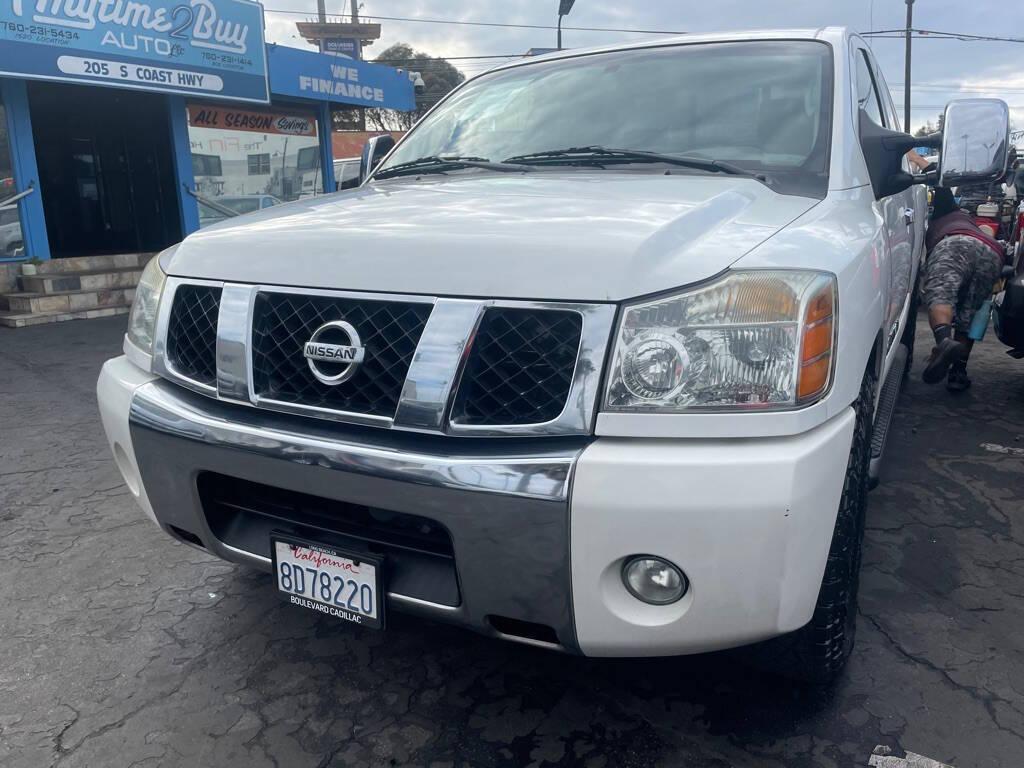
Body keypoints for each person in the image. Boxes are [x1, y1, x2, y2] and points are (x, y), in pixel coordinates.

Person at [920, 187, 1005, 390]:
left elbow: (940, 182)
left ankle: (943, 341)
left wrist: (915, 157)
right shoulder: (966, 219)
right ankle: (958, 373)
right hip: (992, 253)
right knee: (969, 314)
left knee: (940, 293)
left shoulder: (944, 211)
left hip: (955, 244)